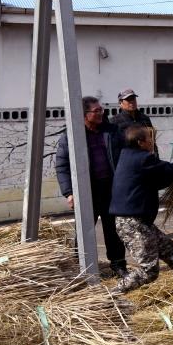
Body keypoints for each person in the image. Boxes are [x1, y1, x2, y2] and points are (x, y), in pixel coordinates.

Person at [109, 125, 173, 293]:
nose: (152, 141)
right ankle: (113, 294)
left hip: (138, 221)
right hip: (132, 223)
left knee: (169, 248)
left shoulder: (127, 156)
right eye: (149, 139)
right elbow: (168, 169)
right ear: (140, 142)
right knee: (149, 271)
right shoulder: (143, 159)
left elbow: (157, 181)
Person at [55, 96, 127, 278]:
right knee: (84, 231)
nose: (101, 113)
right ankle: (81, 267)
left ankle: (118, 265)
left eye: (101, 110)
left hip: (111, 189)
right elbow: (62, 166)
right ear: (84, 114)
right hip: (86, 192)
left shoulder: (112, 131)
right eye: (96, 111)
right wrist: (69, 193)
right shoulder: (71, 136)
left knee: (114, 230)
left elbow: (126, 155)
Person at [110, 88, 159, 158]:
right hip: (128, 160)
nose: (132, 102)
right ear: (120, 103)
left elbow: (152, 141)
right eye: (128, 99)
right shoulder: (114, 121)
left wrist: (156, 158)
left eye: (133, 99)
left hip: (146, 159)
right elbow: (114, 147)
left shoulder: (144, 118)